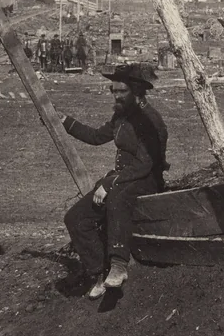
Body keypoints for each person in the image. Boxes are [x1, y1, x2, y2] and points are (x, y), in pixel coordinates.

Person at [61, 63, 169, 299]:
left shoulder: (150, 120)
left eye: (122, 92)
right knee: (76, 218)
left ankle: (119, 265)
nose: (116, 96)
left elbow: (146, 163)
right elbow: (96, 136)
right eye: (114, 91)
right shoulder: (121, 117)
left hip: (146, 180)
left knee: (117, 198)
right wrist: (64, 121)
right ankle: (99, 272)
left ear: (137, 92)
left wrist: (109, 184)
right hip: (123, 179)